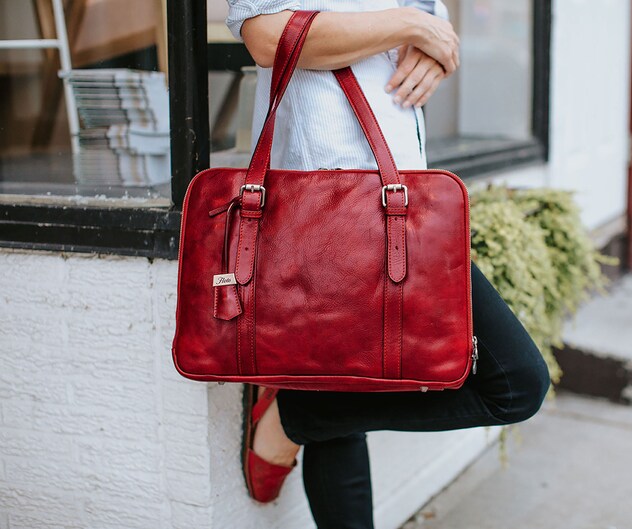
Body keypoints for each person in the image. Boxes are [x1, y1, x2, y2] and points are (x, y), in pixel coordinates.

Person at [225, 2, 551, 527]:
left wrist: (437, 45)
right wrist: (412, 25)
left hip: (402, 193)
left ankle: (296, 417)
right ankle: (298, 415)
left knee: (345, 394)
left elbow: (431, 30)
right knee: (512, 380)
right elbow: (268, 36)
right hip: (323, 190)